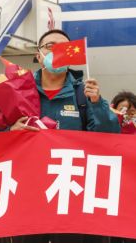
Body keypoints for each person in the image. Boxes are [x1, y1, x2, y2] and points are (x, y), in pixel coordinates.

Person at [11, 29, 120, 243]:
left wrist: (97, 105)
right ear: (38, 54)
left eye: (64, 48)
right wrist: (10, 132)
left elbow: (110, 138)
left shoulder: (85, 94)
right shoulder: (18, 91)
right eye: (50, 46)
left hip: (74, 192)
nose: (56, 52)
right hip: (28, 194)